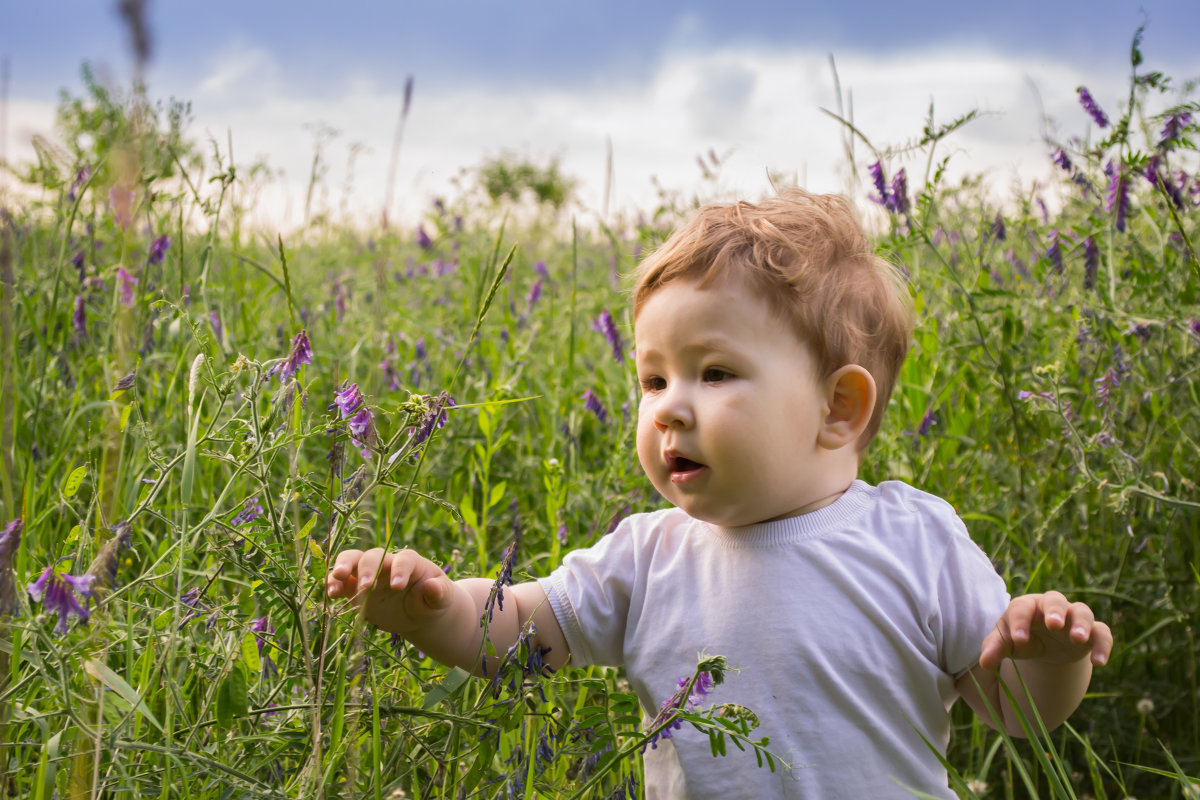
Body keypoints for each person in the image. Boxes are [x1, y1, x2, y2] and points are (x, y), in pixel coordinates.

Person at [326, 190, 1113, 798]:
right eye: (653, 378)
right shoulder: (645, 556)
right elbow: (522, 637)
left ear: (839, 408)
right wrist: (437, 613)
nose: (667, 405)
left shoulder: (916, 539)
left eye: (715, 372)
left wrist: (1048, 661)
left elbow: (1017, 711)